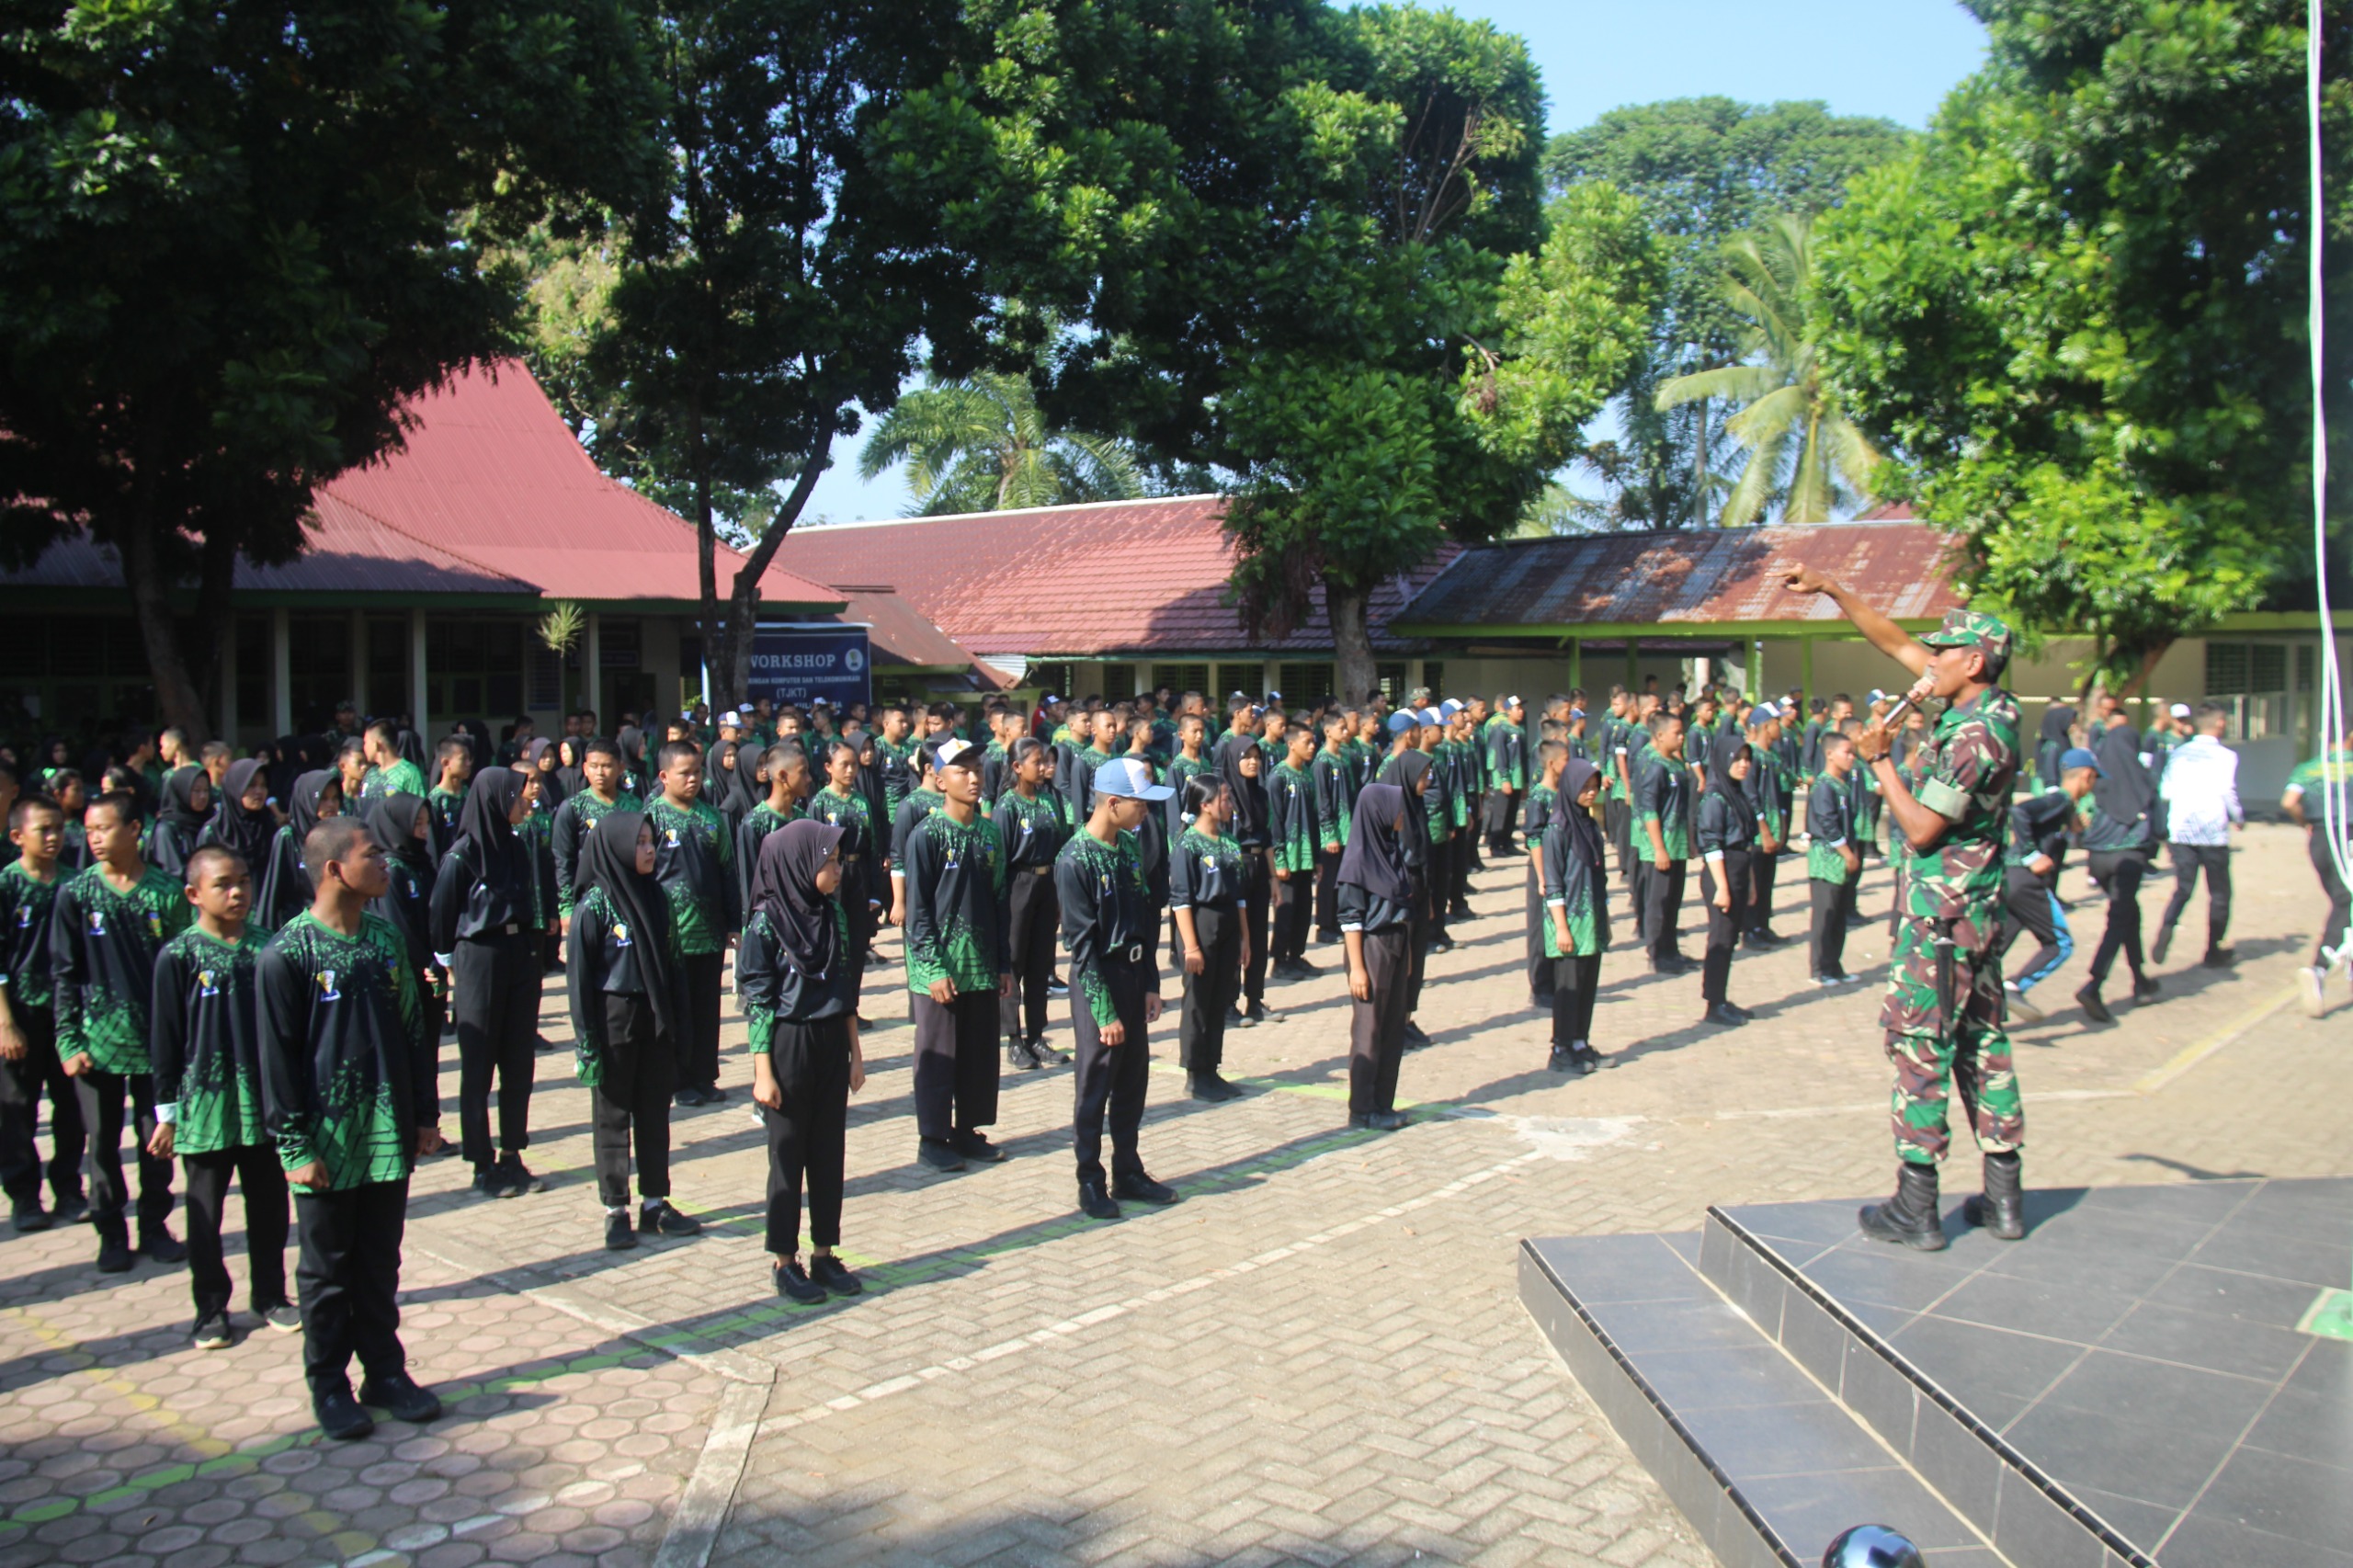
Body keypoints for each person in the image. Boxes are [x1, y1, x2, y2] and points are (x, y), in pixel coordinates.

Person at [1788, 574, 2027, 1251]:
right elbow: (1891, 639)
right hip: (1973, 913)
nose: (1930, 659)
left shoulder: (1976, 736)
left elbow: (1922, 830)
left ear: (1972, 663)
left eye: (1944, 653)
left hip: (1941, 919)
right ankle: (2003, 1198)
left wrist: (1882, 762)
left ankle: (1916, 1203)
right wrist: (1836, 589)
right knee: (1985, 1043)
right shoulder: (1993, 706)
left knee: (1923, 1046)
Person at [256, 816, 446, 1440]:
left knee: (378, 1262)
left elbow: (416, 1033)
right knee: (326, 1269)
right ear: (335, 869)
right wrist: (294, 1144)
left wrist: (424, 1113)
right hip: (327, 1145)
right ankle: (329, 1384)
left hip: (386, 1134)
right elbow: (278, 1060)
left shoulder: (386, 943)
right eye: (372, 854)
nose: (386, 862)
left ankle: (385, 1373)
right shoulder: (286, 955)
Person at [148, 846, 296, 1349]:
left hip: (263, 1107)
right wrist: (166, 1112)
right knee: (205, 1214)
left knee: (270, 1207)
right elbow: (165, 1040)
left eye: (244, 881)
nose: (237, 893)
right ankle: (210, 1308)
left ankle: (271, 1295)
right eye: (223, 885)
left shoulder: (268, 950)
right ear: (193, 894)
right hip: (204, 1111)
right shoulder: (178, 956)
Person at [53, 790, 192, 1270]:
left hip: (156, 1046)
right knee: (103, 1144)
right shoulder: (76, 893)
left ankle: (155, 1226)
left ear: (135, 829)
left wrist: (183, 1042)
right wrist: (68, 1040)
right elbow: (65, 973)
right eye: (89, 830)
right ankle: (111, 1233)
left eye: (104, 828)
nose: (94, 838)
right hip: (97, 1045)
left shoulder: (167, 893)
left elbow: (180, 974)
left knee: (157, 1141)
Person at [737, 822, 866, 1302]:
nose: (836, 870)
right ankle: (784, 1260)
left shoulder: (832, 915)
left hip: (832, 1039)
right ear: (799, 864)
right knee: (788, 1155)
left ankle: (824, 1252)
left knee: (829, 1153)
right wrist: (763, 1071)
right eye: (829, 861)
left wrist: (855, 1054)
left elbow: (845, 987)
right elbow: (759, 1000)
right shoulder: (766, 922)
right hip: (788, 1042)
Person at [568, 811, 699, 1252]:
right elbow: (580, 982)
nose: (649, 849)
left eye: (651, 841)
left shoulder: (657, 897)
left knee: (654, 1112)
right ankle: (615, 1208)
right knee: (611, 1117)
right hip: (613, 1019)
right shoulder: (595, 906)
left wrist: (679, 1021)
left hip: (653, 1016)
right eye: (641, 842)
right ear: (618, 848)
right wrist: (587, 1045)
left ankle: (654, 1202)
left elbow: (674, 962)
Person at [1056, 757, 1180, 1216]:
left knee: (1132, 1080)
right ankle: (1090, 1179)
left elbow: (1144, 922)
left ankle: (1128, 1169)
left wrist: (1149, 982)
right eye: (1141, 804)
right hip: (1099, 982)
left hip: (1132, 976)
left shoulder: (1129, 848)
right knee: (1096, 1082)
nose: (1147, 812)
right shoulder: (1073, 860)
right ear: (1112, 804)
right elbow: (1081, 946)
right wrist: (1103, 1012)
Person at [428, 766, 549, 1197]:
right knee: (479, 1064)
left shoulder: (516, 846)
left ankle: (513, 1154)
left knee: (518, 1060)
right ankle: (481, 1162)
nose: (527, 801)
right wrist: (448, 964)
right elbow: (442, 912)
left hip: (519, 954)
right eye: (518, 795)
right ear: (497, 799)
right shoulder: (462, 855)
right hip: (479, 957)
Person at [902, 739, 1012, 1172]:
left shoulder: (989, 834)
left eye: (977, 769)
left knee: (978, 1054)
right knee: (939, 1054)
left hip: (981, 965)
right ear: (939, 778)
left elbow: (1000, 900)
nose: (973, 777)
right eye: (962, 770)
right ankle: (932, 1137)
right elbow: (918, 908)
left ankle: (968, 1131)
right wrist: (931, 968)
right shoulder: (925, 835)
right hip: (941, 970)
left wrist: (1003, 963)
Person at [0, 796, 85, 1231]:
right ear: (18, 837)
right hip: (20, 1013)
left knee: (71, 1106)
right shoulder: (7, 885)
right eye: (43, 830)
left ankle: (69, 1189)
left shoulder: (76, 884)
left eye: (58, 828)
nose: (53, 837)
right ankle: (25, 1197)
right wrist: (5, 1021)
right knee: (17, 1109)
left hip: (67, 1013)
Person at [645, 742, 738, 1106]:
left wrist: (734, 923)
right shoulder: (651, 818)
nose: (693, 779)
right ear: (665, 776)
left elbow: (728, 872)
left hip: (710, 933)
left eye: (698, 772)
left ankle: (704, 1076)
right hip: (672, 937)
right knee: (675, 1011)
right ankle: (676, 1080)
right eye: (685, 773)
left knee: (705, 1011)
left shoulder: (712, 818)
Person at [1999, 747, 2099, 1024]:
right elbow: (2019, 812)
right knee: (2060, 944)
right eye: (2094, 781)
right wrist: (2032, 855)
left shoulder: (2064, 807)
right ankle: (2015, 987)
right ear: (2087, 777)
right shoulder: (2060, 799)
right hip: (2027, 881)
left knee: (1994, 948)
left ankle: (1972, 1007)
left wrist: (2071, 823)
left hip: (2012, 879)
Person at [2074, 713, 2161, 1025]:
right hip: (2129, 858)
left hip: (2097, 859)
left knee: (2127, 916)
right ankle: (2095, 983)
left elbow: (2080, 817)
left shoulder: (2095, 778)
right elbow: (2158, 824)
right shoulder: (2142, 778)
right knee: (2118, 920)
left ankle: (2140, 980)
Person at [1337, 781, 1416, 1125]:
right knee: (1369, 1030)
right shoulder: (1357, 861)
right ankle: (1363, 1108)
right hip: (1371, 947)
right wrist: (1357, 968)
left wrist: (1408, 953)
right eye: (1396, 808)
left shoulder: (1390, 850)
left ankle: (1384, 1102)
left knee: (1392, 1027)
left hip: (1396, 941)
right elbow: (1351, 920)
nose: (1401, 815)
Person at [993, 738, 1069, 1071]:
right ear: (1017, 767)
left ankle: (1037, 1035)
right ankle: (1013, 1038)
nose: (1043, 767)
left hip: (1047, 883)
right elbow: (999, 861)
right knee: (1014, 963)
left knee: (1041, 964)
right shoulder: (1006, 807)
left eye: (1045, 762)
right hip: (1018, 886)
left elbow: (1061, 844)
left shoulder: (1049, 801)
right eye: (1037, 762)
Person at [1170, 775, 1247, 1101]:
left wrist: (1246, 939)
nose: (1229, 805)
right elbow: (1181, 900)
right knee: (1198, 1001)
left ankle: (1212, 1068)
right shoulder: (1188, 845)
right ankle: (1195, 1071)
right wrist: (1190, 946)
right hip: (1201, 923)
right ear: (1205, 805)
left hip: (1229, 922)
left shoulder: (1230, 843)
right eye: (1225, 799)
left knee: (1220, 999)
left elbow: (1240, 896)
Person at [2152, 704, 2240, 968]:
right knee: (2220, 893)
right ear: (2220, 724)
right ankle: (2213, 951)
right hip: (2212, 832)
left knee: (2183, 888)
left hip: (2181, 830)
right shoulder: (2226, 756)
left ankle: (2168, 925)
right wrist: (2239, 817)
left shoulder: (2178, 753)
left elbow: (2165, 792)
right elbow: (2228, 792)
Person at [1541, 761, 1613, 1074]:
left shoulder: (1588, 824)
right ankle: (1561, 1047)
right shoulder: (1557, 828)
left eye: (1594, 786)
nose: (1591, 792)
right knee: (1569, 987)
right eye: (1584, 787)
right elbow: (1554, 882)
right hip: (1569, 921)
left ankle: (1580, 1042)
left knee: (1588, 984)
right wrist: (1561, 927)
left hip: (1591, 920)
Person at [805, 739, 883, 1022]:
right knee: (833, 941)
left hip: (858, 875)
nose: (851, 771)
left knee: (856, 943)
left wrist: (876, 891)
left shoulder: (862, 801)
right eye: (844, 765)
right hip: (832, 877)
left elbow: (873, 848)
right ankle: (831, 1004)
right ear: (828, 768)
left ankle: (852, 1007)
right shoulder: (820, 802)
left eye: (854, 765)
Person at [2284, 720, 2353, 1017]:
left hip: (2321, 840)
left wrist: (2306, 824)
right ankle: (2320, 966)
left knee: (2342, 902)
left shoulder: (2309, 768)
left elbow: (2289, 801)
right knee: (2346, 901)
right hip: (2347, 837)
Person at [1694, 733, 1759, 1028]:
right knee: (1720, 937)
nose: (1743, 764)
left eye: (1747, 759)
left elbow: (1747, 840)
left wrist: (1751, 883)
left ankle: (1721, 997)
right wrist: (1722, 886)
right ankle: (1713, 1003)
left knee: (1731, 937)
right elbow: (1711, 844)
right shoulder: (1714, 797)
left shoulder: (1737, 792)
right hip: (1722, 870)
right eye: (1738, 758)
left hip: (1739, 867)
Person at [552, 737, 642, 925]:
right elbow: (563, 860)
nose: (600, 772)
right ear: (585, 768)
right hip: (588, 899)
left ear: (621, 768)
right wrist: (566, 908)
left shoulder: (634, 807)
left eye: (607, 766)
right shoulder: (573, 807)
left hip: (628, 900)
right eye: (594, 766)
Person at [1632, 711, 1695, 974]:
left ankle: (1672, 950)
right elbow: (1649, 810)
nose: (1681, 738)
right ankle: (1657, 954)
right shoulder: (1654, 764)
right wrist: (1659, 848)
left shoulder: (1675, 763)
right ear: (1659, 735)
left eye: (1682, 733)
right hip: (1660, 845)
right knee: (1658, 902)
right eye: (1676, 734)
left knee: (1673, 901)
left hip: (1677, 841)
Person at [1221, 734, 1276, 1026]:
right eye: (1247, 757)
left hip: (1258, 867)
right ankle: (1228, 1003)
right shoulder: (1224, 796)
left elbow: (1266, 838)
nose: (1253, 762)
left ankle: (1255, 999)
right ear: (1234, 759)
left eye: (1257, 757)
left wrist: (1274, 879)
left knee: (1257, 935)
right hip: (1234, 865)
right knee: (1234, 936)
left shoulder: (1261, 794)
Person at [1807, 736, 1865, 986]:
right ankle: (1820, 968)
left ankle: (1835, 965)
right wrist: (1847, 853)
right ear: (1830, 754)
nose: (1851, 757)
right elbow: (1828, 824)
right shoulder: (1823, 786)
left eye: (1853, 753)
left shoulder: (1842, 784)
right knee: (1826, 913)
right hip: (1827, 858)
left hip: (1843, 858)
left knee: (1840, 914)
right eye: (1847, 752)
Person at [256, 770, 340, 931]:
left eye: (335, 798)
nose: (331, 805)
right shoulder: (289, 837)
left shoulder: (340, 837)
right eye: (323, 798)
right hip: (299, 930)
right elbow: (274, 892)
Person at [1267, 724, 1320, 979]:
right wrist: (1279, 860)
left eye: (1313, 742)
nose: (1312, 746)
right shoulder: (1278, 776)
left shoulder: (1308, 775)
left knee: (1303, 909)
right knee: (1286, 911)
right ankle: (1279, 961)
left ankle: (1296, 955)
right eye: (1307, 742)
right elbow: (1275, 821)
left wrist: (1317, 857)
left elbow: (1314, 816)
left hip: (1307, 854)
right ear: (1291, 744)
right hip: (1288, 856)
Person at [1523, 740, 1567, 1009]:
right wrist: (1542, 877)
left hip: (1560, 868)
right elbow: (1534, 839)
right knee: (1540, 928)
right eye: (1565, 759)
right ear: (1551, 763)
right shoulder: (1539, 796)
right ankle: (1541, 986)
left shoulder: (1563, 793)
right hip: (1543, 871)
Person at [1742, 709, 1791, 948]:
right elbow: (1751, 795)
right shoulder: (1750, 755)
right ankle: (1749, 930)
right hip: (1756, 831)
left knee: (1766, 880)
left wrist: (1780, 826)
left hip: (1772, 827)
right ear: (1765, 726)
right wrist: (1764, 828)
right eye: (1776, 723)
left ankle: (1763, 925)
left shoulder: (1771, 756)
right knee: (1753, 880)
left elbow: (1779, 793)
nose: (1780, 728)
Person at [146, 766, 213, 881]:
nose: (203, 796)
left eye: (206, 790)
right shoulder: (167, 829)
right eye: (196, 791)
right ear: (182, 791)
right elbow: (173, 872)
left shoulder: (211, 821)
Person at [360, 722, 426, 805]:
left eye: (365, 742)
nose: (364, 747)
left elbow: (420, 809)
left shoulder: (409, 773)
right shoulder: (370, 774)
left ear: (376, 745)